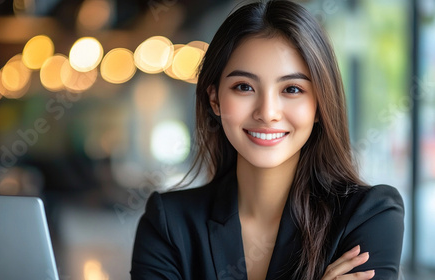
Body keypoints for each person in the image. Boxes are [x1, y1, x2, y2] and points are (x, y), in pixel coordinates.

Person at [131, 0, 404, 279]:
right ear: (214, 99)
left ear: (320, 104)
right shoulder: (168, 224)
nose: (267, 113)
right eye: (244, 87)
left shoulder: (369, 216)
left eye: (292, 89)